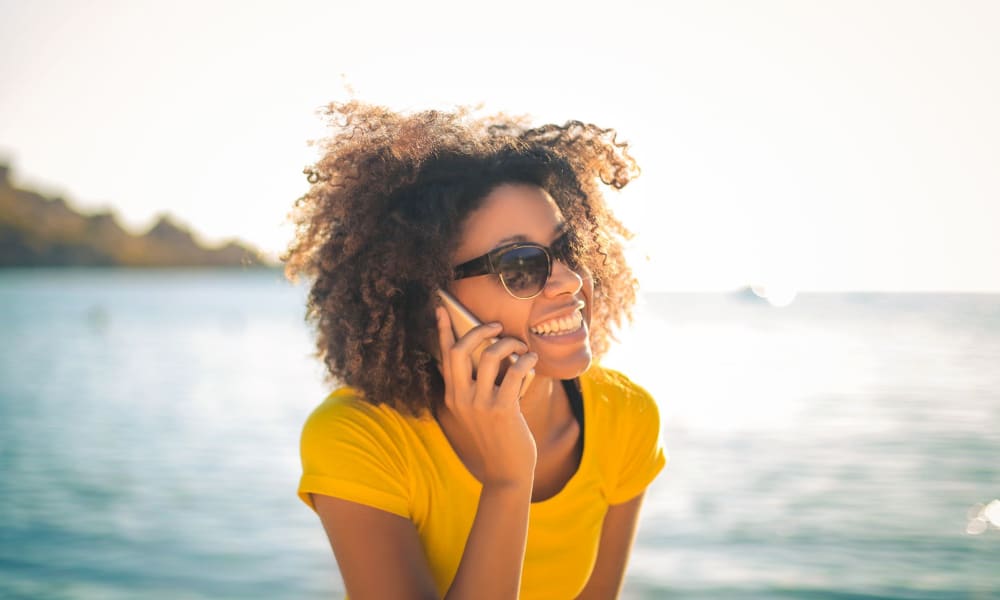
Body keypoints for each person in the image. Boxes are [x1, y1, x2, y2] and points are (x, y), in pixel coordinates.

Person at [285, 101, 666, 599]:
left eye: (568, 250)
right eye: (522, 266)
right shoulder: (360, 441)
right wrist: (509, 479)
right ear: (429, 302)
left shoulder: (624, 417)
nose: (570, 281)